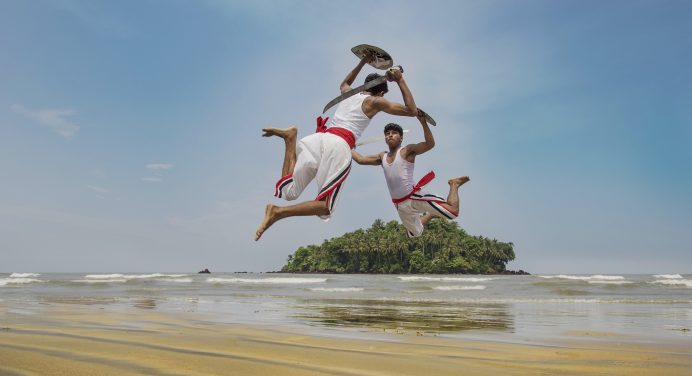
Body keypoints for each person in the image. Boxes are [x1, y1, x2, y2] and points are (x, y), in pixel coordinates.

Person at [255, 53, 418, 240]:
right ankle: (277, 212)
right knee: (325, 206)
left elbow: (344, 83)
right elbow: (411, 110)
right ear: (381, 92)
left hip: (318, 140)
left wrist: (363, 61)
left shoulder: (350, 93)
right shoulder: (375, 101)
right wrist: (400, 80)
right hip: (338, 146)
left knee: (288, 192)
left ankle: (290, 138)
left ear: (364, 86)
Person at [351, 112, 470, 237]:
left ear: (401, 138)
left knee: (452, 212)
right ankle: (431, 214)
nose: (390, 135)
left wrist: (423, 123)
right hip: (399, 204)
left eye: (394, 133)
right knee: (413, 234)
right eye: (387, 134)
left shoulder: (407, 150)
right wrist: (348, 146)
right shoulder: (382, 156)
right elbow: (361, 160)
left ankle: (454, 184)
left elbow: (430, 144)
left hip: (413, 197)